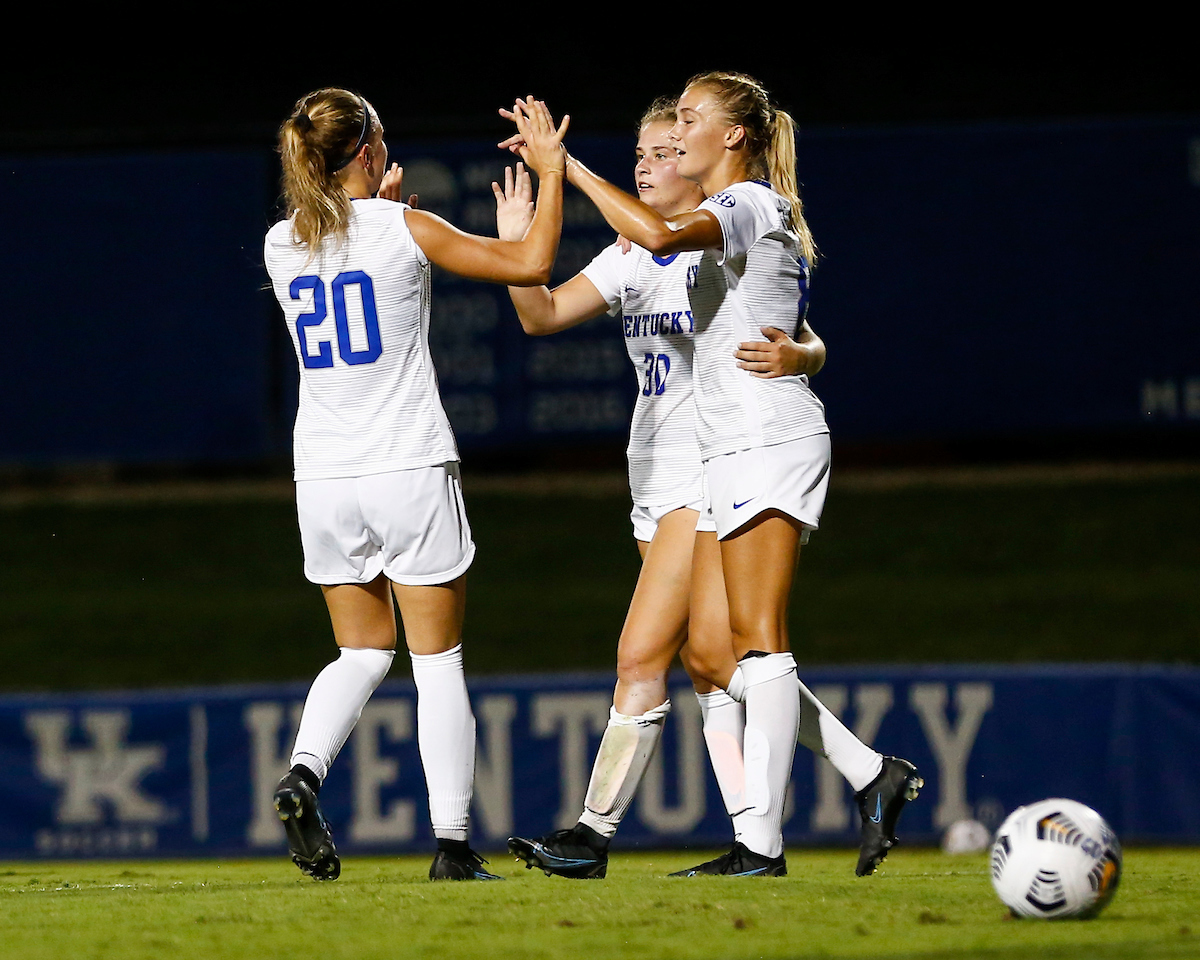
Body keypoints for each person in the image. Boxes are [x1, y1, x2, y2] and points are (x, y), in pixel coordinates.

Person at [497, 93, 918, 879]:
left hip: (717, 462)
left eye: (670, 146)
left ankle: (599, 833)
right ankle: (862, 776)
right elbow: (541, 314)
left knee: (652, 654)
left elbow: (788, 320)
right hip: (667, 469)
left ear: (710, 154)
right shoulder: (639, 250)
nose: (653, 161)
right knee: (714, 662)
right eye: (644, 152)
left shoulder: (725, 220)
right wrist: (519, 243)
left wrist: (807, 354)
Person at [263, 88, 568, 882]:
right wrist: (550, 172)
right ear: (367, 152)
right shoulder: (403, 228)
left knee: (361, 651)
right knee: (437, 662)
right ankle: (452, 847)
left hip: (323, 477)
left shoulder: (280, 242)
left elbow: (344, 239)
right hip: (406, 466)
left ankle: (303, 774)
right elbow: (531, 265)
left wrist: (382, 212)